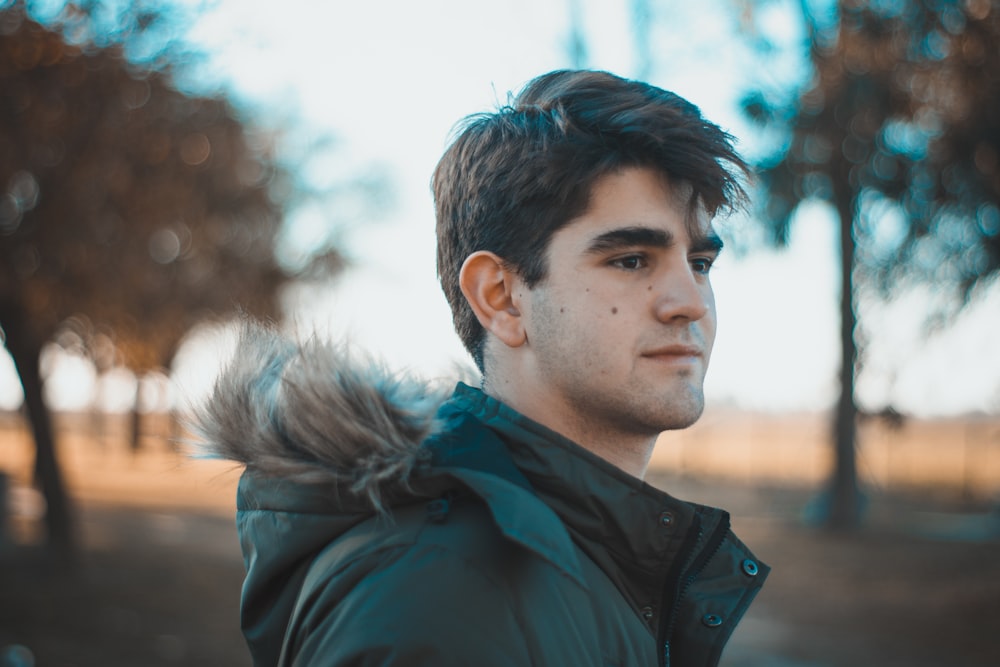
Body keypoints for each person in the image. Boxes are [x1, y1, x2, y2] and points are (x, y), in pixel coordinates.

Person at [196, 69, 769, 667]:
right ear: (500, 296)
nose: (691, 302)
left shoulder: (572, 554)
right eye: (630, 259)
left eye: (700, 262)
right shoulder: (438, 603)